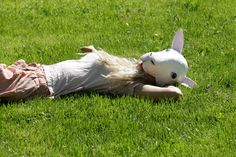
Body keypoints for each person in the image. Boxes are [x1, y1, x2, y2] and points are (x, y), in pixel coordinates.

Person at [0, 29, 196, 101]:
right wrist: (94, 52)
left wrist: (172, 86)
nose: (143, 60)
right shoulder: (125, 66)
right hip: (39, 70)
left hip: (40, 83)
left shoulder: (128, 84)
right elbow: (98, 67)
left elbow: (174, 94)